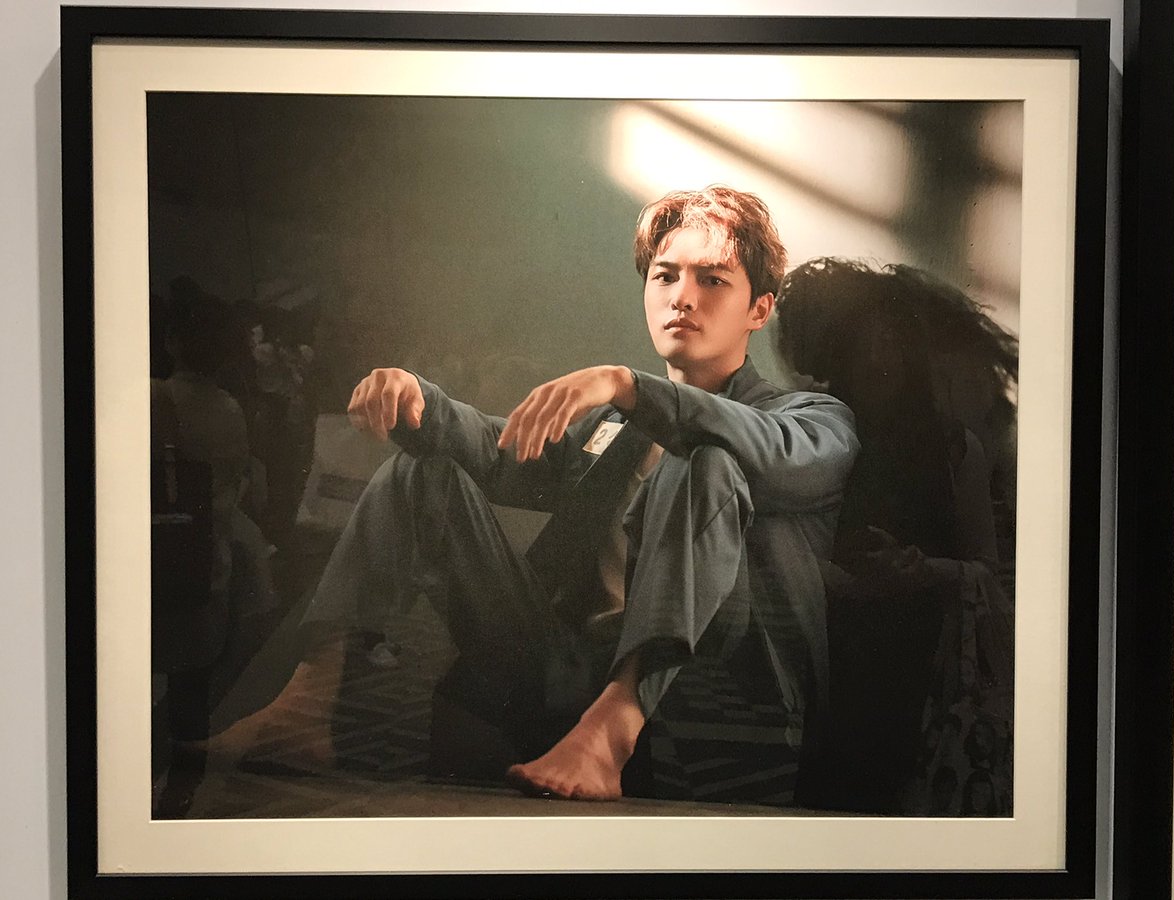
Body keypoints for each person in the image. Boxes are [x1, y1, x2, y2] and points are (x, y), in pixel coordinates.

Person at [199, 186, 858, 802]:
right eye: (665, 276)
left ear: (759, 309)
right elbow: (507, 453)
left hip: (705, 691)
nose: (682, 297)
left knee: (706, 455)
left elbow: (770, 451)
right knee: (421, 471)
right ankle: (309, 703)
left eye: (712, 279)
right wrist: (419, 401)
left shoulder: (813, 419)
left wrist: (629, 385)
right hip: (565, 666)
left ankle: (612, 731)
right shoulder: (617, 423)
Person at [775, 257, 1014, 815]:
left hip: (923, 673)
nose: (880, 357)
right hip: (831, 665)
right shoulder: (818, 433)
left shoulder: (953, 447)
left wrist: (917, 570)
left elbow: (984, 571)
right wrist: (841, 582)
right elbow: (783, 550)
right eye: (866, 343)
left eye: (891, 342)